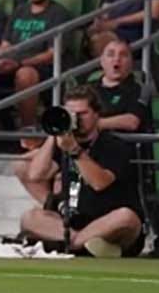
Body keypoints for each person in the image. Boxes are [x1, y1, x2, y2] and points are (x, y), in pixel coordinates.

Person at [17, 86, 146, 257]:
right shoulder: (63, 143)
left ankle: (70, 244)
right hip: (75, 223)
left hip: (108, 222)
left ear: (96, 114)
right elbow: (35, 175)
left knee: (127, 218)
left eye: (82, 113)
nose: (77, 119)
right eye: (71, 114)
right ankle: (82, 244)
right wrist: (54, 132)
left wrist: (75, 151)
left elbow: (100, 183)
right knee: (30, 217)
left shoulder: (115, 145)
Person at [0, 0, 72, 127]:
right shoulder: (19, 11)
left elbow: (52, 53)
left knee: (25, 74)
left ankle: (28, 131)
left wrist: (20, 63)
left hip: (43, 68)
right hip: (13, 63)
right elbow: (6, 44)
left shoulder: (59, 13)